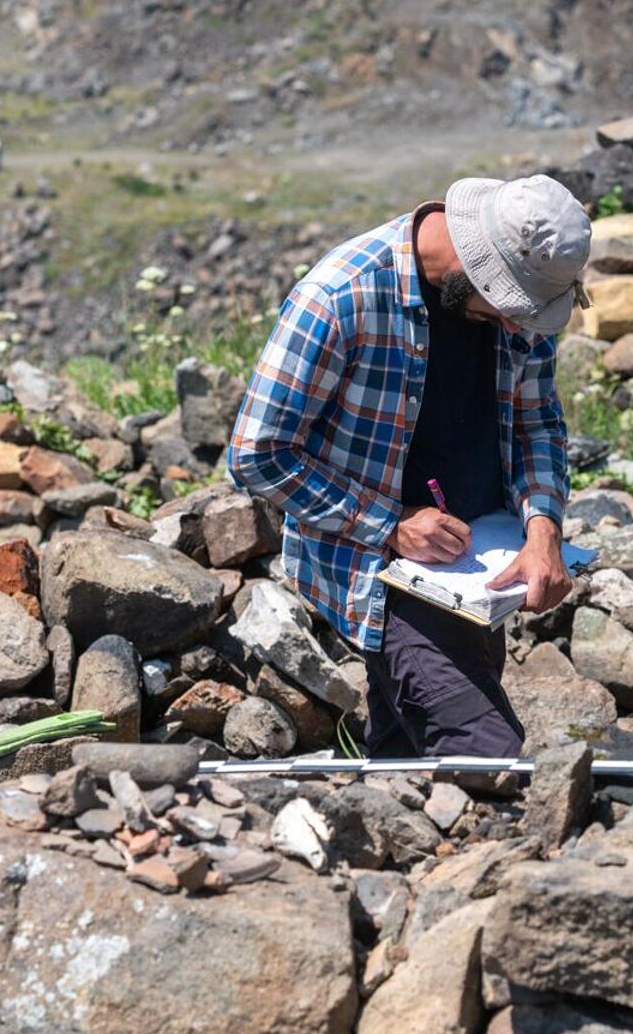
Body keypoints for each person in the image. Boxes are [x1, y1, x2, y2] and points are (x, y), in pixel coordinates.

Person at [227, 175, 592, 758]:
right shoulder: (341, 296)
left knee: (404, 755)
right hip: (381, 568)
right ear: (473, 266)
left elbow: (537, 425)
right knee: (485, 750)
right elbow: (256, 452)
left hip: (478, 570)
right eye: (504, 308)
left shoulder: (513, 307)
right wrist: (390, 523)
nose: (514, 326)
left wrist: (543, 529)